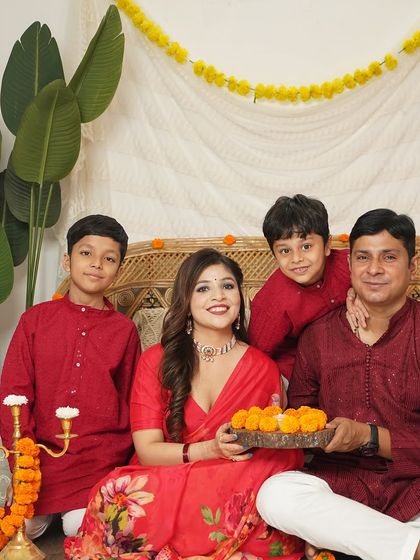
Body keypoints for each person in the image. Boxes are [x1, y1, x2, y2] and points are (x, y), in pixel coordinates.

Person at [64, 248, 305, 560]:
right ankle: (220, 549)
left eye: (228, 286)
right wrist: (209, 450)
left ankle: (191, 547)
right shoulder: (157, 361)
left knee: (272, 481)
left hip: (235, 482)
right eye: (203, 288)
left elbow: (273, 450)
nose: (218, 296)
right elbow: (148, 450)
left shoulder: (262, 368)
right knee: (119, 493)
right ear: (186, 302)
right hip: (168, 478)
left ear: (240, 296)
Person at [256, 209, 420, 560]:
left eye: (389, 257)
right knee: (276, 495)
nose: (374, 269)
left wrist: (368, 436)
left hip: (414, 484)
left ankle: (355, 540)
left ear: (413, 266)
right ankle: (405, 546)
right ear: (349, 264)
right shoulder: (317, 335)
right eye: (363, 257)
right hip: (340, 486)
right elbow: (300, 416)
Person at [0, 215, 141, 539]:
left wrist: (127, 471)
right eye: (86, 253)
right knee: (24, 528)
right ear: (67, 260)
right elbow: (13, 395)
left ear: (118, 270)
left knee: (78, 526)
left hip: (98, 460)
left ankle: (75, 511)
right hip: (42, 459)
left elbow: (132, 402)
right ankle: (45, 510)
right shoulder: (35, 321)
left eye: (109, 259)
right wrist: (23, 463)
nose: (96, 264)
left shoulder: (123, 331)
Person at [248, 194, 363, 385]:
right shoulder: (272, 301)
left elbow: (384, 285)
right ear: (275, 255)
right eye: (285, 250)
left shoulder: (351, 264)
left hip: (352, 357)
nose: (296, 258)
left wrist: (357, 293)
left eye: (306, 246)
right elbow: (256, 355)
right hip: (296, 372)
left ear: (327, 245)